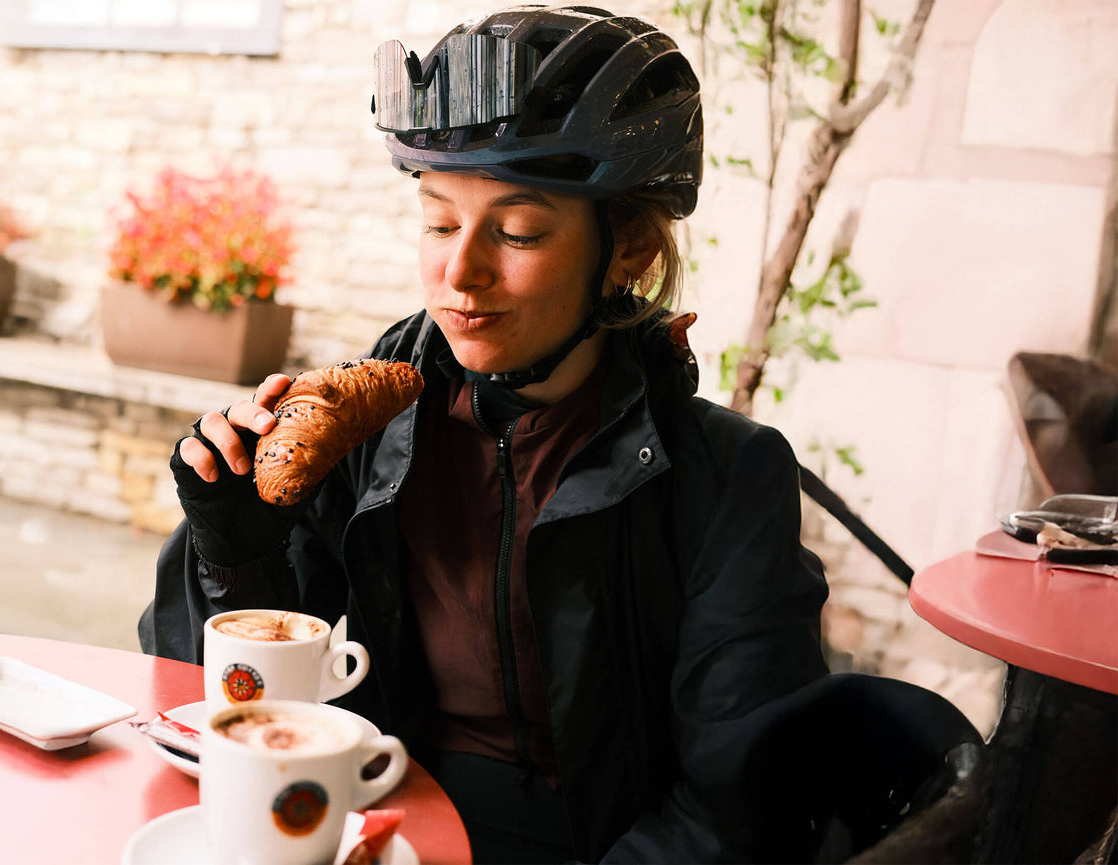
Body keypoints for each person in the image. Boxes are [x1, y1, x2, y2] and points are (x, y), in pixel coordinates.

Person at [141, 7, 832, 862]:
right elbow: (213, 707)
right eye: (438, 221)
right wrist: (233, 553)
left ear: (632, 253)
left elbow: (739, 804)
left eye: (517, 231)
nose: (459, 272)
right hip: (383, 822)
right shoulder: (369, 425)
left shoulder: (727, 481)